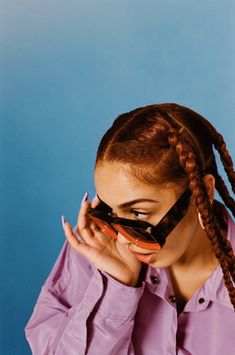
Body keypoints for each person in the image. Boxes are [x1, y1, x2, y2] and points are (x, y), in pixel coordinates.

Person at [25, 103, 235, 355]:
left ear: (204, 191)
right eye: (111, 211)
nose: (123, 240)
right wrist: (115, 289)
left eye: (138, 213)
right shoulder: (97, 248)